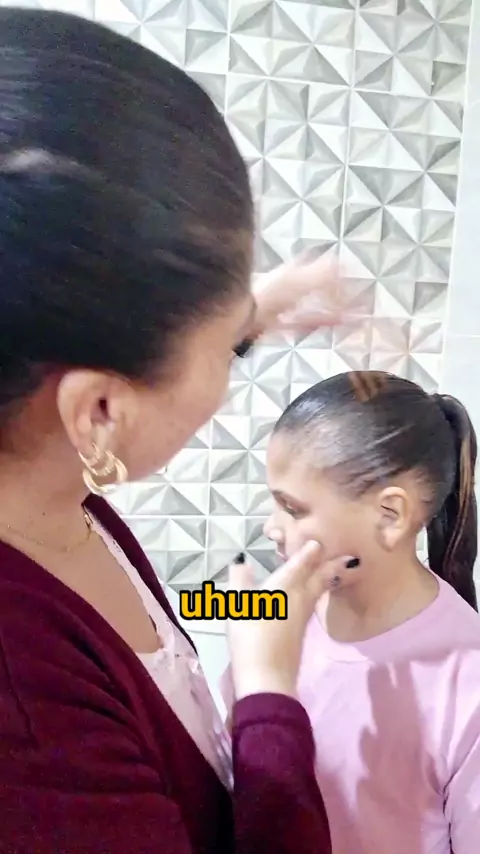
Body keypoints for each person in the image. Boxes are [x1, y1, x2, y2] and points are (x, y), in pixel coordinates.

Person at [0, 7, 361, 854]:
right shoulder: (28, 722)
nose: (275, 529)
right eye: (226, 346)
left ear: (394, 515)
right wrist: (267, 692)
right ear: (98, 410)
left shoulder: (48, 481)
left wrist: (244, 312)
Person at [262, 370, 480, 854]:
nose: (270, 528)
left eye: (292, 509)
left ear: (389, 516)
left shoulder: (467, 683)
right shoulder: (280, 613)